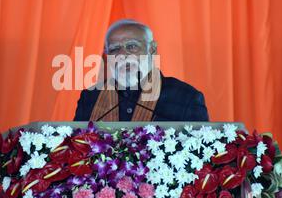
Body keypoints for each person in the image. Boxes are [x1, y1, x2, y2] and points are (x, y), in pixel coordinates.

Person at [73, 19, 209, 122]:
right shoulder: (91, 97)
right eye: (114, 49)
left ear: (152, 49)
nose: (122, 55)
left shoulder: (185, 96)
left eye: (132, 46)